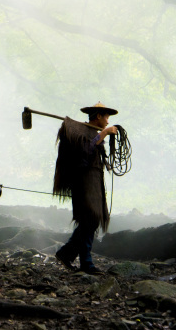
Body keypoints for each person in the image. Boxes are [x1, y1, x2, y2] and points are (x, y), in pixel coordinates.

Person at [52, 102, 119, 274]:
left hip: (94, 181)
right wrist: (104, 133)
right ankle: (84, 262)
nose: (107, 121)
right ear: (98, 116)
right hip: (83, 183)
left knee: (91, 220)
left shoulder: (92, 133)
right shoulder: (82, 132)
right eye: (106, 117)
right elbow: (85, 153)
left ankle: (68, 254)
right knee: (90, 218)